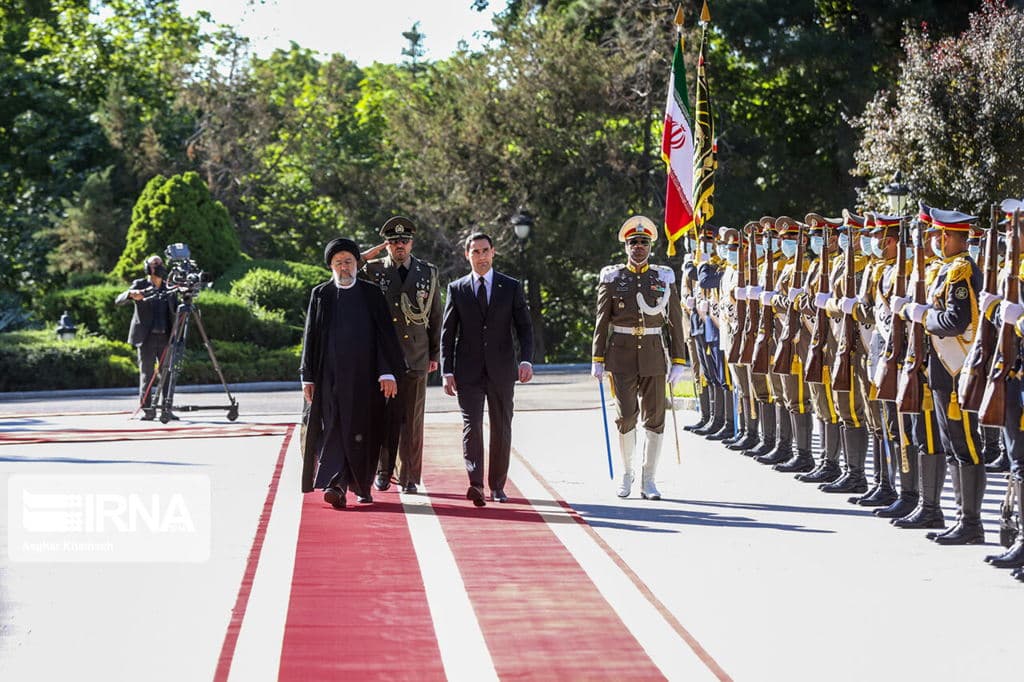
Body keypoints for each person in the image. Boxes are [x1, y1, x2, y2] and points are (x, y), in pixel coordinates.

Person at [893, 207, 986, 545]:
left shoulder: (960, 271)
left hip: (957, 368)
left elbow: (955, 323)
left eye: (934, 235)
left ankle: (971, 522)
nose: (931, 241)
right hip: (942, 370)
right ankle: (956, 516)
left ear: (946, 237)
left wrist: (923, 316)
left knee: (964, 445)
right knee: (950, 444)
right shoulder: (944, 270)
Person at [299, 238, 405, 509]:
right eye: (338, 263)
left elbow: (385, 337)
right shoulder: (320, 294)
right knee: (334, 429)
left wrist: (387, 372)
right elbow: (310, 336)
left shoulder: (371, 294)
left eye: (348, 262)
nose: (344, 268)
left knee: (362, 432)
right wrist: (307, 376)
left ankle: (362, 485)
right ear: (331, 267)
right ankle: (337, 484)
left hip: (366, 380)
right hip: (330, 379)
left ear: (357, 263)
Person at [591, 216, 686, 500]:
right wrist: (597, 358)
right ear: (626, 246)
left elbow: (675, 322)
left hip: (655, 354)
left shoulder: (663, 277)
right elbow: (601, 321)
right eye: (634, 242)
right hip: (620, 354)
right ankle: (627, 472)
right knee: (626, 417)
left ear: (650, 246)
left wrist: (679, 360)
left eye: (644, 242)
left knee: (655, 418)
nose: (639, 247)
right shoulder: (612, 277)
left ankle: (649, 479)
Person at [440, 232, 534, 507]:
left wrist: (526, 360)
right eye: (475, 252)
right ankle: (476, 484)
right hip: (467, 371)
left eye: (485, 251)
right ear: (466, 255)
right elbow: (448, 334)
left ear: (493, 252)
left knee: (501, 427)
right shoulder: (457, 289)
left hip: (503, 369)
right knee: (472, 427)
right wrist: (447, 370)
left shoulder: (511, 286)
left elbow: (525, 327)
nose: (480, 257)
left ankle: (497, 485)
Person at [360, 216, 442, 495]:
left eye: (404, 241)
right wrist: (364, 256)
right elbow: (343, 273)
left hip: (417, 355)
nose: (400, 246)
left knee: (413, 421)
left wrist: (434, 353)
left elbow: (435, 316)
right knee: (384, 419)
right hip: (384, 357)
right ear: (386, 245)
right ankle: (384, 473)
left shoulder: (427, 272)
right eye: (394, 242)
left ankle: (409, 476)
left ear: (412, 242)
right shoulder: (373, 270)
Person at [114, 254, 179, 420]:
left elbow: (177, 311)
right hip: (146, 338)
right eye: (155, 264)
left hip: (166, 337)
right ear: (147, 268)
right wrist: (131, 294)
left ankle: (167, 408)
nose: (159, 267)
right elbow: (118, 300)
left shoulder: (170, 288)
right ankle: (148, 410)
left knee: (168, 374)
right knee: (147, 374)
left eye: (160, 263)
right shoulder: (140, 285)